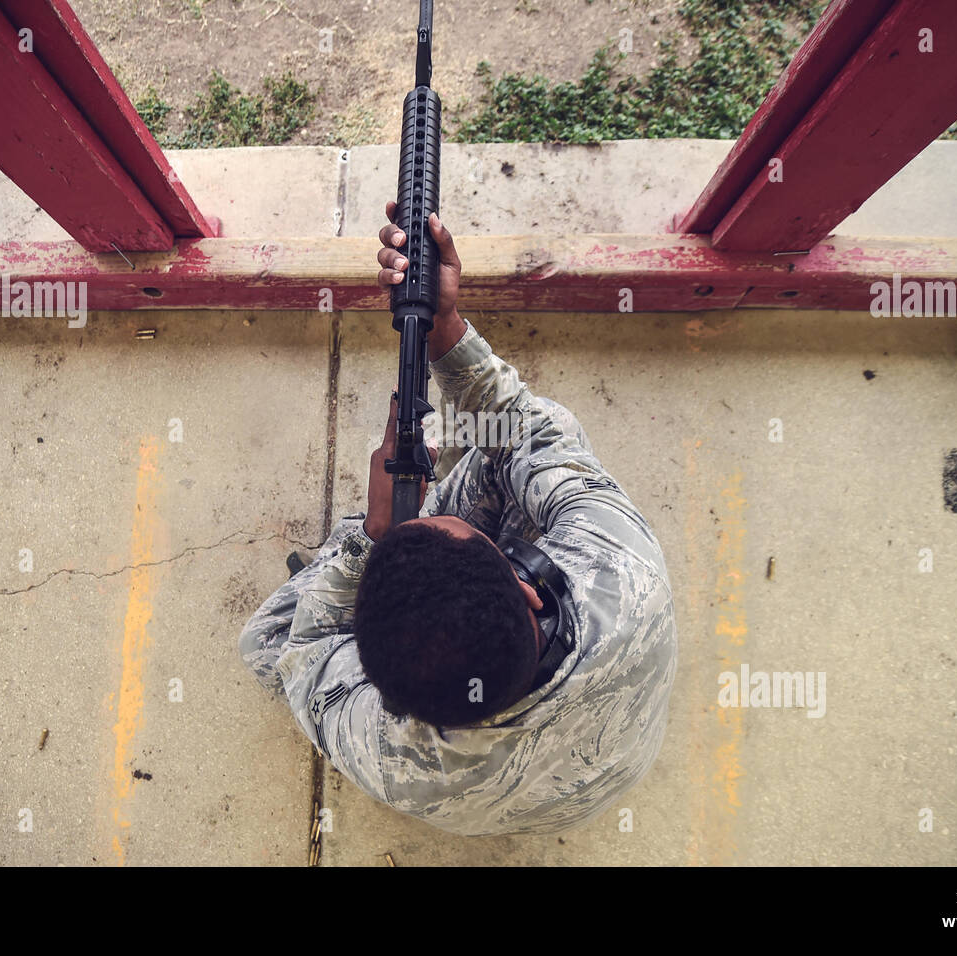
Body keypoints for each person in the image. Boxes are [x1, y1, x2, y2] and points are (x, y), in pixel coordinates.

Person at [239, 205, 676, 836]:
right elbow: (536, 429)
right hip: (606, 764)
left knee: (264, 642)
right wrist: (443, 325)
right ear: (526, 585)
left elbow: (302, 650)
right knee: (514, 457)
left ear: (387, 699)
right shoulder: (623, 570)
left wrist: (372, 539)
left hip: (510, 797)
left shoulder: (393, 760)